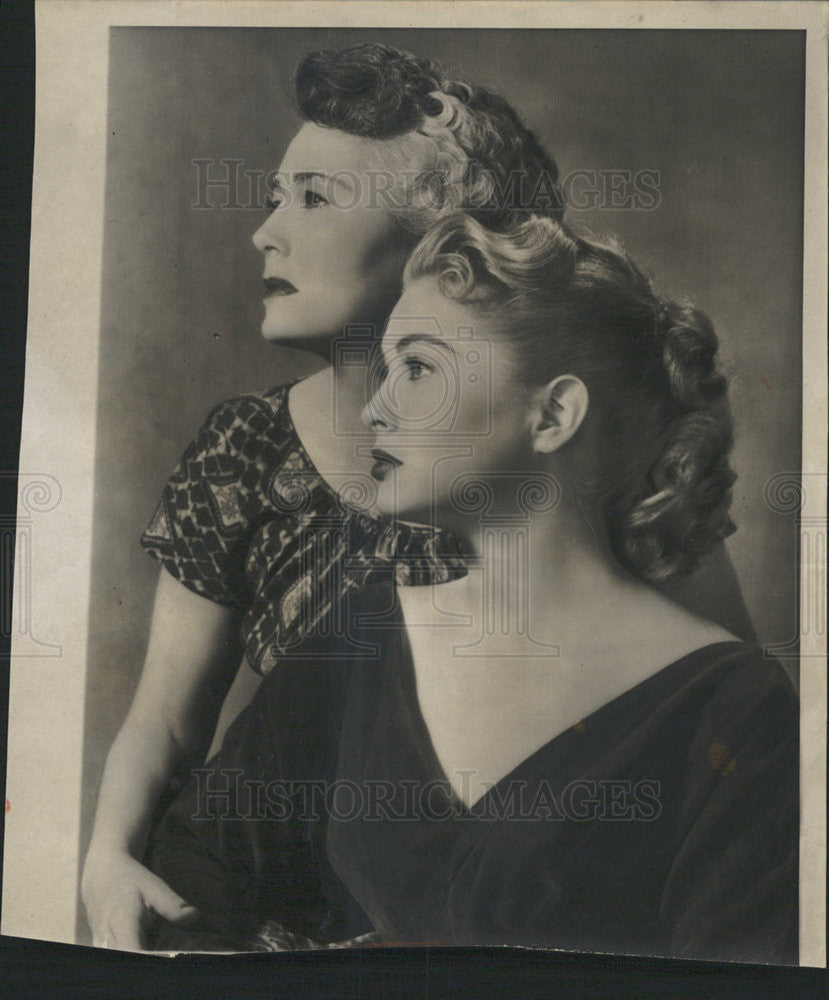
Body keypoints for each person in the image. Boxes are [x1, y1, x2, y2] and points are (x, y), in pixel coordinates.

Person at [81, 42, 757, 951]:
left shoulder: (582, 449)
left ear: (441, 237)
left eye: (314, 198)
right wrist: (108, 858)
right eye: (274, 198)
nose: (265, 232)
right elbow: (164, 721)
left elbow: (728, 745)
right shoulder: (245, 450)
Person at [143, 212, 798, 963]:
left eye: (418, 369)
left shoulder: (733, 708)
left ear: (552, 413)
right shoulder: (360, 641)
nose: (375, 407)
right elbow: (193, 874)